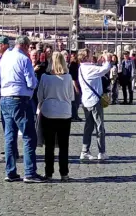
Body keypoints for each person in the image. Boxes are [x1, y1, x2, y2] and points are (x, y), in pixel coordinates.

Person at [0, 35, 43, 182]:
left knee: (9, 137)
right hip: (20, 99)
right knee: (29, 135)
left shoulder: (4, 57)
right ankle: (29, 172)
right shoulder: (24, 59)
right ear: (24, 46)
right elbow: (31, 83)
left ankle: (10, 171)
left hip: (5, 98)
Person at [36, 52, 75, 180]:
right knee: (64, 145)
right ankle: (64, 173)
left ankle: (49, 172)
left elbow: (40, 96)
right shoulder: (68, 77)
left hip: (48, 112)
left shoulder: (44, 77)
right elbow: (71, 96)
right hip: (64, 112)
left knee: (49, 145)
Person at [78, 49, 112, 161]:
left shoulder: (82, 68)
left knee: (88, 127)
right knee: (99, 127)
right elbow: (105, 69)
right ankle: (102, 152)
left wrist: (99, 61)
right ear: (86, 57)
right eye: (91, 55)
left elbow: (97, 69)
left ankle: (85, 150)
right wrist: (107, 59)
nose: (93, 56)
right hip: (94, 101)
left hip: (85, 101)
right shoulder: (90, 69)